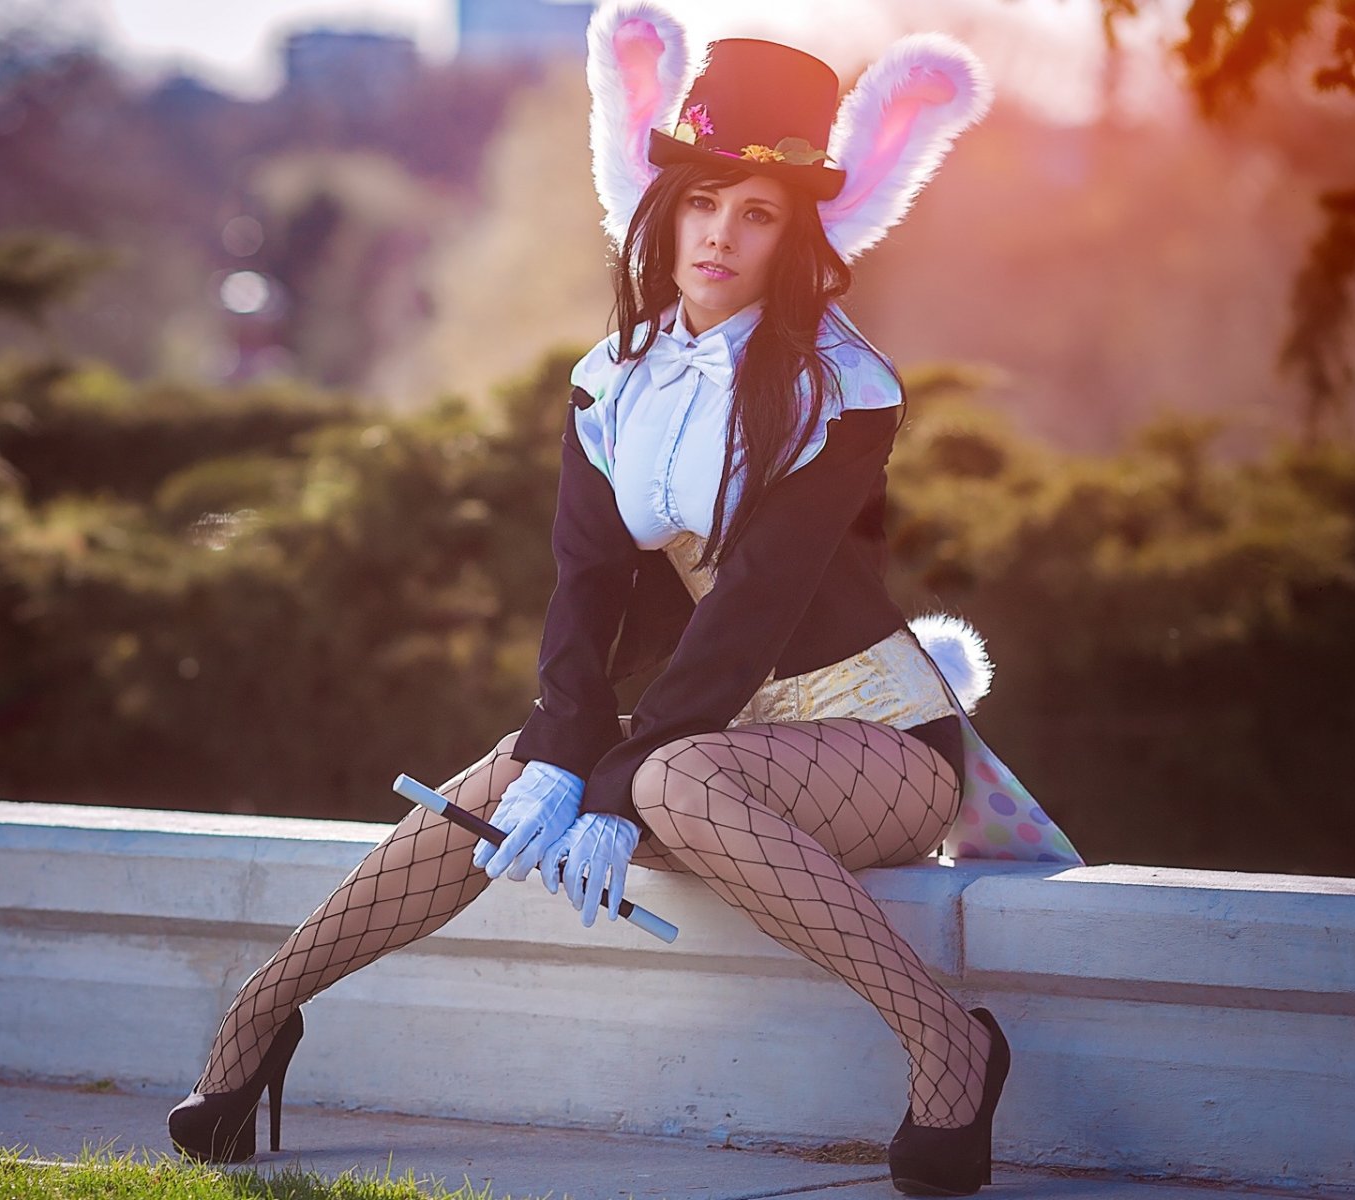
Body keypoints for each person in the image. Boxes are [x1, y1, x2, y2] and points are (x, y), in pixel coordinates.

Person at [171, 7, 1080, 1195]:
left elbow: (753, 608)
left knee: (666, 777)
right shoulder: (614, 378)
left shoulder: (845, 386)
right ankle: (257, 1016)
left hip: (877, 747)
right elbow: (585, 588)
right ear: (666, 208)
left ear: (796, 234)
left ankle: (949, 1046)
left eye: (757, 214)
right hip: (710, 741)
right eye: (703, 203)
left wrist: (611, 777)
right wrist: (564, 753)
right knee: (513, 777)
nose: (721, 235)